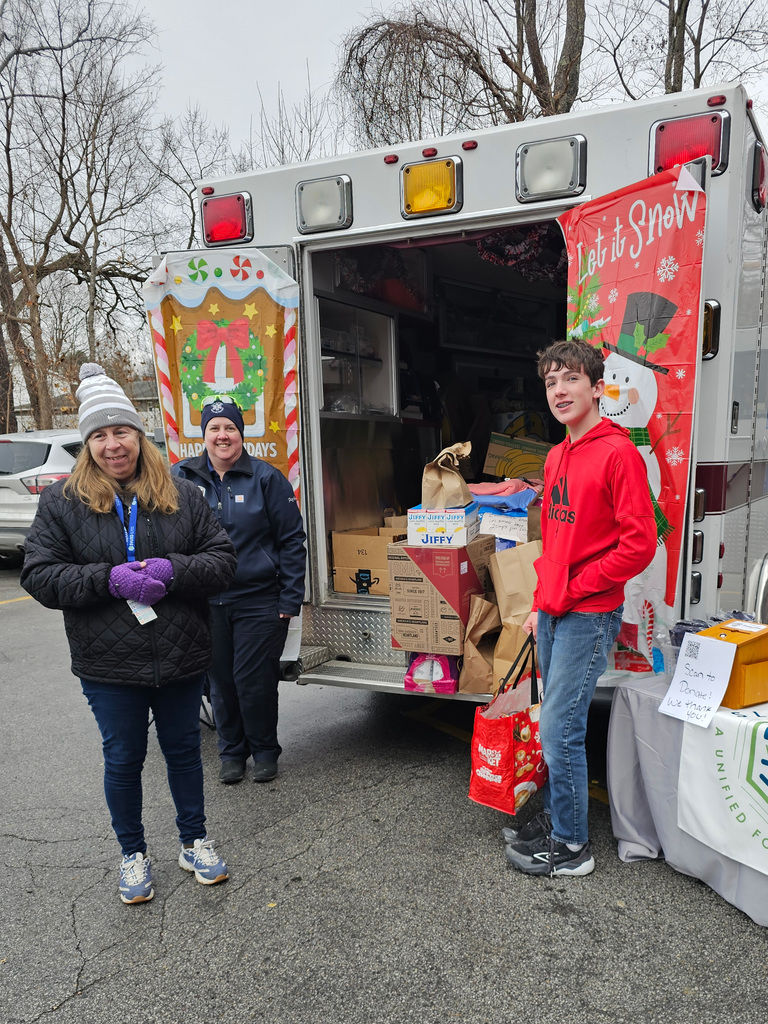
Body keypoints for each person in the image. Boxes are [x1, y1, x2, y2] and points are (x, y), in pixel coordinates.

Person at [21, 363, 238, 904]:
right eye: (99, 435)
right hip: (108, 661)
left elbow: (222, 561)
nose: (113, 445)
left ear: (139, 436)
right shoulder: (61, 504)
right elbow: (40, 576)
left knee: (185, 752)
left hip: (181, 652)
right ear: (86, 443)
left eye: (121, 432)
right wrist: (107, 579)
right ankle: (132, 852)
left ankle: (194, 841)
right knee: (123, 758)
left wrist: (172, 570)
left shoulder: (183, 495)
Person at [503, 339, 656, 877]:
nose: (560, 391)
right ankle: (557, 817)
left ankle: (572, 847)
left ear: (596, 387)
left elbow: (640, 544)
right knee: (554, 721)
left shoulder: (618, 453)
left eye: (570, 379)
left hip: (590, 614)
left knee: (560, 729)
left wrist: (580, 587)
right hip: (556, 609)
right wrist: (542, 601)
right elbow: (556, 541)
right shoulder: (556, 454)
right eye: (550, 382)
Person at [172, 397, 306, 785]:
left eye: (229, 427)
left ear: (241, 434)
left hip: (259, 600)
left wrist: (290, 598)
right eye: (214, 428)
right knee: (220, 684)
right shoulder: (180, 477)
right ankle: (231, 752)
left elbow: (292, 541)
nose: (222, 435)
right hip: (204, 600)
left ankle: (264, 750)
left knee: (254, 681)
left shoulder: (266, 478)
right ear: (203, 435)